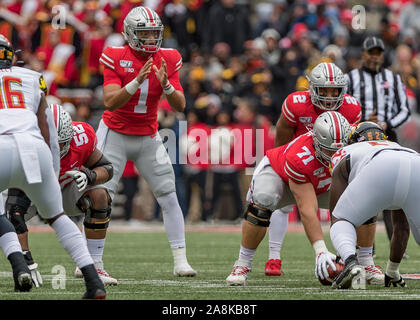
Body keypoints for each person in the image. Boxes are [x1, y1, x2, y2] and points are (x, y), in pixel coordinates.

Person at [0, 35, 105, 299]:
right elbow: (46, 126)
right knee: (57, 216)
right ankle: (94, 283)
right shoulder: (33, 77)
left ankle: (19, 265)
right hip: (34, 146)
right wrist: (50, 168)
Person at [97, 6, 196, 276]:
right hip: (114, 133)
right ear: (130, 34)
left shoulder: (169, 57)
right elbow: (110, 101)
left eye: (155, 32)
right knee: (101, 197)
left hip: (148, 135)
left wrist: (166, 85)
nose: (152, 38)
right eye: (145, 33)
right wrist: (136, 82)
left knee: (168, 194)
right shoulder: (115, 55)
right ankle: (92, 264)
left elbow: (180, 105)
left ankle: (180, 261)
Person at [265, 62, 382, 285]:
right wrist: (282, 166)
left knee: (357, 203)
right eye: (324, 91)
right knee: (284, 205)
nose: (329, 97)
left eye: (334, 91)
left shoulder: (351, 108)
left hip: (334, 162)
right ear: (312, 89)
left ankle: (364, 261)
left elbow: (351, 144)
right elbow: (282, 134)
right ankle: (274, 257)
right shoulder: (296, 104)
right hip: (301, 158)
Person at [226, 111, 351, 286]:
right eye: (328, 150)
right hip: (279, 176)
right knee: (263, 201)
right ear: (316, 141)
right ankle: (242, 264)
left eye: (338, 150)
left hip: (320, 182)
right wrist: (320, 250)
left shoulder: (353, 144)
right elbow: (307, 208)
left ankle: (364, 263)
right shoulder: (300, 156)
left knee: (358, 206)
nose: (333, 156)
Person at [6, 104, 117, 286]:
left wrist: (89, 176)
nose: (55, 150)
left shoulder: (82, 137)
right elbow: (14, 208)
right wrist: (26, 263)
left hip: (63, 190)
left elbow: (107, 168)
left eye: (60, 144)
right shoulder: (26, 149)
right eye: (49, 144)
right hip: (31, 192)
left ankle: (95, 264)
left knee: (99, 195)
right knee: (8, 221)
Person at [345, 36, 411, 255]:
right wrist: (362, 121)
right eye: (371, 52)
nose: (374, 56)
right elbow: (343, 107)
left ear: (383, 55)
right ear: (363, 54)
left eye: (378, 53)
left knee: (398, 189)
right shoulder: (350, 78)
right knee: (360, 187)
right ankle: (364, 245)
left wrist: (384, 123)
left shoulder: (392, 78)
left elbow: (404, 110)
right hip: (359, 137)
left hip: (388, 135)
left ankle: (396, 242)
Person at [329, 122, 415, 289]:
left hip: (376, 165)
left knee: (340, 219)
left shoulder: (348, 150)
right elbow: (402, 227)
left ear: (353, 140)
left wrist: (344, 251)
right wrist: (392, 271)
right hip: (415, 161)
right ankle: (392, 271)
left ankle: (351, 263)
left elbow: (338, 214)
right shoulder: (397, 146)